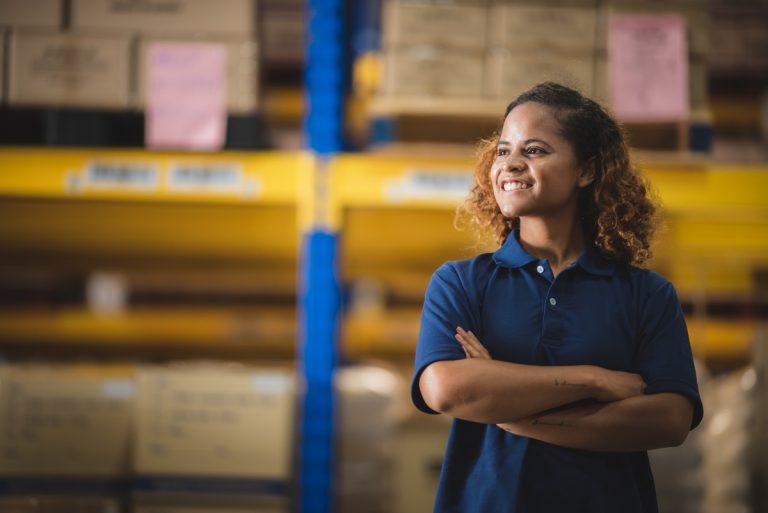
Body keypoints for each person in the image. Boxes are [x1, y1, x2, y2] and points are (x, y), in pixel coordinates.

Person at [411, 82, 703, 513]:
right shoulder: (461, 283)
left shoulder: (647, 294)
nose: (510, 164)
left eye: (534, 150)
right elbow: (446, 390)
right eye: (503, 150)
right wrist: (594, 380)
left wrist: (511, 412)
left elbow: (669, 420)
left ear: (586, 171)